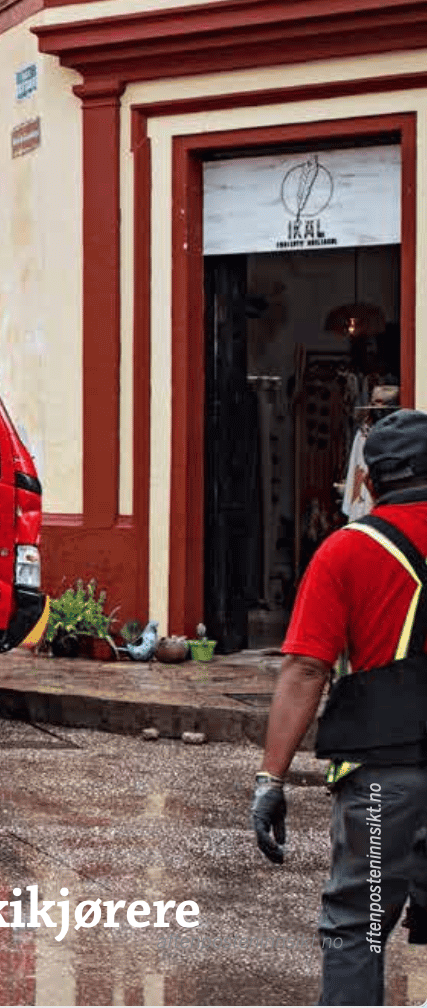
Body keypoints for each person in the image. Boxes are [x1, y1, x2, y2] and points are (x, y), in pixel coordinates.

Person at [251, 409, 427, 1005]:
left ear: (370, 483)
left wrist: (270, 780)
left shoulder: (346, 551)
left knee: (360, 923)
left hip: (383, 782)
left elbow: (305, 669)